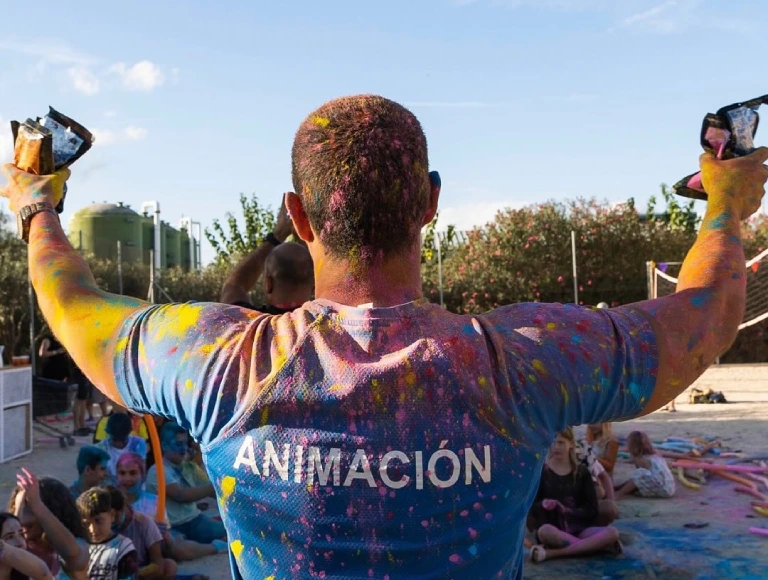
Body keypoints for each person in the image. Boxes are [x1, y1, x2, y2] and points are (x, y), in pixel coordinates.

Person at [5, 95, 767, 579]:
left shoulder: (218, 360)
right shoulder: (523, 360)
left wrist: (38, 206)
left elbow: (73, 306)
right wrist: (725, 208)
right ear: (431, 204)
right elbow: (703, 317)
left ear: (298, 219)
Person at [527, 429, 621, 563]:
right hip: (556, 529)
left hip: (580, 527)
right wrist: (543, 505)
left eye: (561, 442)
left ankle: (552, 554)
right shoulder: (543, 471)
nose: (556, 447)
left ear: (570, 444)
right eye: (553, 443)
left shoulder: (581, 472)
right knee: (544, 531)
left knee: (612, 532)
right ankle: (597, 547)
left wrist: (567, 511)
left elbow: (592, 509)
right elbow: (533, 507)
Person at [115, 454, 224, 563]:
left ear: (142, 476)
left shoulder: (153, 501)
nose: (127, 479)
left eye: (133, 473)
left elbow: (165, 537)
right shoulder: (112, 500)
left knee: (177, 551)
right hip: (122, 552)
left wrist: (166, 538)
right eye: (122, 473)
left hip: (152, 550)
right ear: (116, 476)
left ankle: (216, 546)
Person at [220, 198, 313, 312]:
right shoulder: (334, 322)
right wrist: (305, 235)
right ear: (313, 284)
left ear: (269, 283)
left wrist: (276, 236)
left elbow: (233, 286)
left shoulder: (247, 324)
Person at [144, 424, 225, 546]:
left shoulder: (189, 467)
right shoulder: (157, 470)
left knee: (234, 530)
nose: (183, 449)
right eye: (178, 444)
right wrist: (213, 488)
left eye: (185, 444)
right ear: (164, 446)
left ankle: (209, 546)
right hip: (172, 526)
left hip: (195, 521)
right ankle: (214, 547)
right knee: (175, 547)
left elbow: (215, 492)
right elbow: (180, 495)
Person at [8, 469, 89, 579]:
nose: (23, 520)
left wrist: (36, 505)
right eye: (17, 508)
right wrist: (17, 512)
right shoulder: (17, 550)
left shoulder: (75, 546)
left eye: (29, 509)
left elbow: (73, 556)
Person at [104, 487, 175, 580]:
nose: (111, 521)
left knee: (169, 566)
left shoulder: (144, 523)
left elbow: (157, 564)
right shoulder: (99, 525)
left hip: (139, 572)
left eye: (115, 516)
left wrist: (135, 575)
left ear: (123, 507)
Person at [75, 488, 137, 580]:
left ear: (112, 515)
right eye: (86, 524)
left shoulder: (123, 548)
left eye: (98, 520)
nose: (92, 529)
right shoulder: (79, 547)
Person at [615, 431, 675, 499]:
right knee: (640, 475)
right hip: (669, 488)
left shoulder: (640, 459)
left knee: (639, 473)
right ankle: (620, 488)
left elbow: (638, 478)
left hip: (662, 489)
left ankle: (620, 494)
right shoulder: (654, 455)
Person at [0, 512, 54, 580]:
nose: (20, 542)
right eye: (10, 537)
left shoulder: (30, 575)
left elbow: (44, 572)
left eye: (21, 534)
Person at [96, 414, 147, 482]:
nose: (119, 443)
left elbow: (142, 472)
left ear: (130, 431)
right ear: (107, 432)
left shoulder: (138, 444)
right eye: (115, 439)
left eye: (122, 439)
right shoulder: (100, 449)